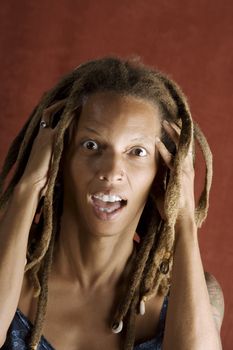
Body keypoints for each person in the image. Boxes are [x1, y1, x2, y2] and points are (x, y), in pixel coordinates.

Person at [0, 57, 224, 350]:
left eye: (137, 152)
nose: (111, 171)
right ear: (58, 157)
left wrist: (183, 220)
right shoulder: (8, 268)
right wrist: (28, 189)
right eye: (91, 145)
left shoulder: (196, 295)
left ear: (163, 174)